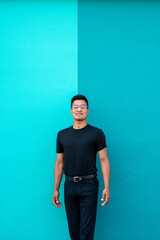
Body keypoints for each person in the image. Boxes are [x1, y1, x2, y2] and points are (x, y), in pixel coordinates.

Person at [52, 94, 110, 240]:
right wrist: (56, 189)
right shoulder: (62, 134)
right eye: (76, 107)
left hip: (89, 184)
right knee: (74, 232)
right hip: (69, 185)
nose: (79, 110)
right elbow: (59, 162)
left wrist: (107, 187)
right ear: (71, 110)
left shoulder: (96, 133)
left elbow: (103, 160)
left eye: (83, 107)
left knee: (86, 232)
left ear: (88, 111)